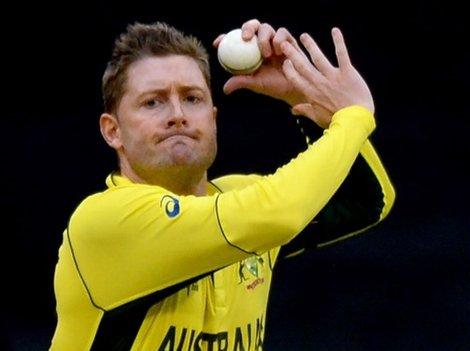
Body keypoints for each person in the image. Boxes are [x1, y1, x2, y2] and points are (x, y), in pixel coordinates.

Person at [51, 19, 395, 350]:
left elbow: (369, 202)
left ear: (213, 119)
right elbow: (276, 214)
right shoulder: (104, 222)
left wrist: (309, 107)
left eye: (192, 98)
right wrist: (352, 116)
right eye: (152, 102)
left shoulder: (242, 198)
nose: (177, 114)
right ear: (113, 131)